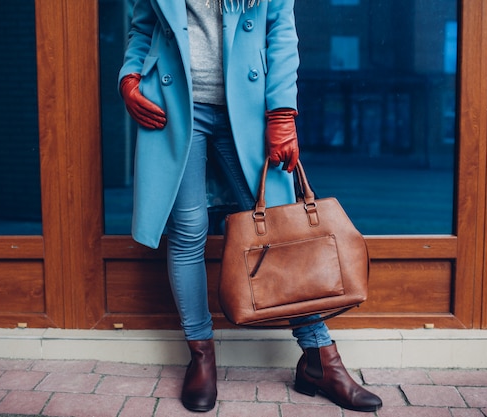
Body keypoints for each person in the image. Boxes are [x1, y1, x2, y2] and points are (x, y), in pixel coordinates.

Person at [118, 0, 383, 413]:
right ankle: (202, 356)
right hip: (175, 107)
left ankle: (321, 358)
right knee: (188, 232)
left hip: (249, 107)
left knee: (280, 234)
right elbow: (143, 26)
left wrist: (281, 113)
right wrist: (130, 76)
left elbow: (281, 36)